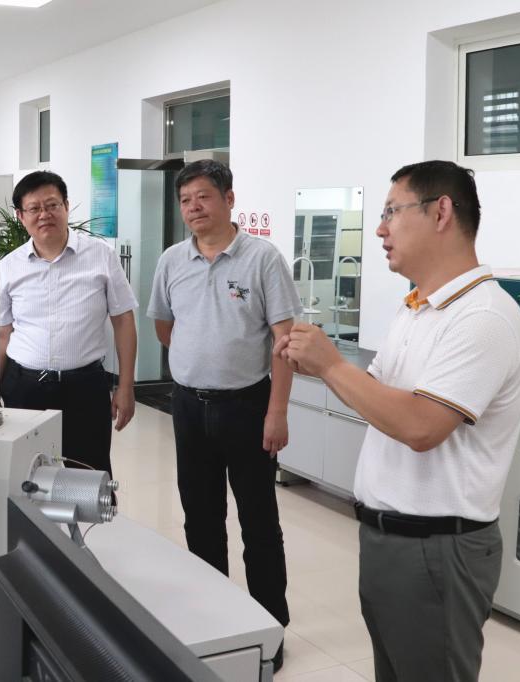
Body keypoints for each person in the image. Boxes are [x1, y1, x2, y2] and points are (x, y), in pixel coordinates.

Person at [276, 160, 520, 682]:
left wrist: (331, 365)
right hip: (388, 540)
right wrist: (314, 365)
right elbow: (377, 398)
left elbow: (420, 427)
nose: (379, 228)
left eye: (392, 211)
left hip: (437, 549)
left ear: (441, 212)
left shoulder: (482, 315)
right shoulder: (416, 307)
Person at [148, 159, 299, 668]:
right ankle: (213, 625)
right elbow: (165, 327)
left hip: (248, 407)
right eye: (185, 200)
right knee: (201, 520)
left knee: (259, 524)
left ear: (229, 199)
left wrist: (277, 412)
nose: (193, 207)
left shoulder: (262, 259)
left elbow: (284, 342)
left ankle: (270, 630)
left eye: (204, 197)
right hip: (189, 407)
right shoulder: (172, 260)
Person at [0, 170, 137, 474]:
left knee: (88, 474)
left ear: (66, 206)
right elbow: (2, 334)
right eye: (34, 208)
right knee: (25, 476)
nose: (44, 214)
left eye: (52, 205)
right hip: (24, 388)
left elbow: (123, 321)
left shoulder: (101, 256)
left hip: (85, 387)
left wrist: (126, 386)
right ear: (21, 216)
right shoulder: (8, 266)